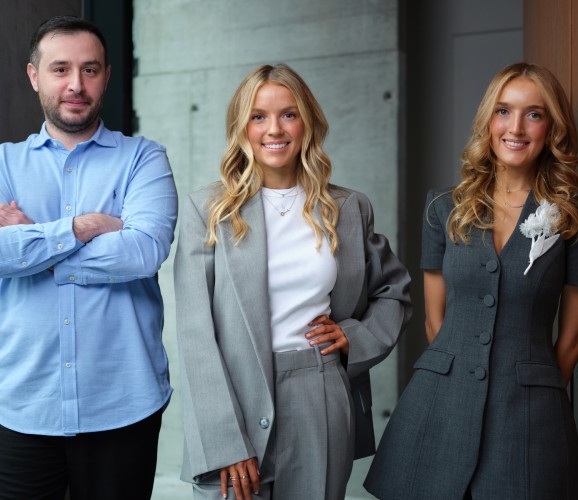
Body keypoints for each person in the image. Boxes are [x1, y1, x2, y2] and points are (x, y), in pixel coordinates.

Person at [173, 63, 412, 500]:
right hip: (235, 401)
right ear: (241, 126)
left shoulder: (348, 208)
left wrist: (354, 338)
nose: (274, 129)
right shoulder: (207, 211)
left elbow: (394, 292)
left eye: (289, 114)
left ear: (308, 123)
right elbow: (194, 335)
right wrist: (225, 440)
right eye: (258, 116)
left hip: (317, 393)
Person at [0, 16, 177, 499]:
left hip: (123, 403)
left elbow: (143, 252)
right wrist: (80, 227)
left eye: (90, 69)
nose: (76, 84)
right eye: (61, 69)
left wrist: (33, 240)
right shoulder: (0, 163)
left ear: (105, 76)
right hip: (24, 405)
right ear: (34, 75)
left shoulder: (144, 159)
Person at [365, 62, 578, 499]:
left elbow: (573, 340)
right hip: (440, 405)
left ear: (551, 127)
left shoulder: (575, 218)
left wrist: (531, 392)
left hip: (528, 415)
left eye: (534, 113)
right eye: (503, 111)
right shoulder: (443, 208)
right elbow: (435, 322)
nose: (516, 128)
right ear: (488, 121)